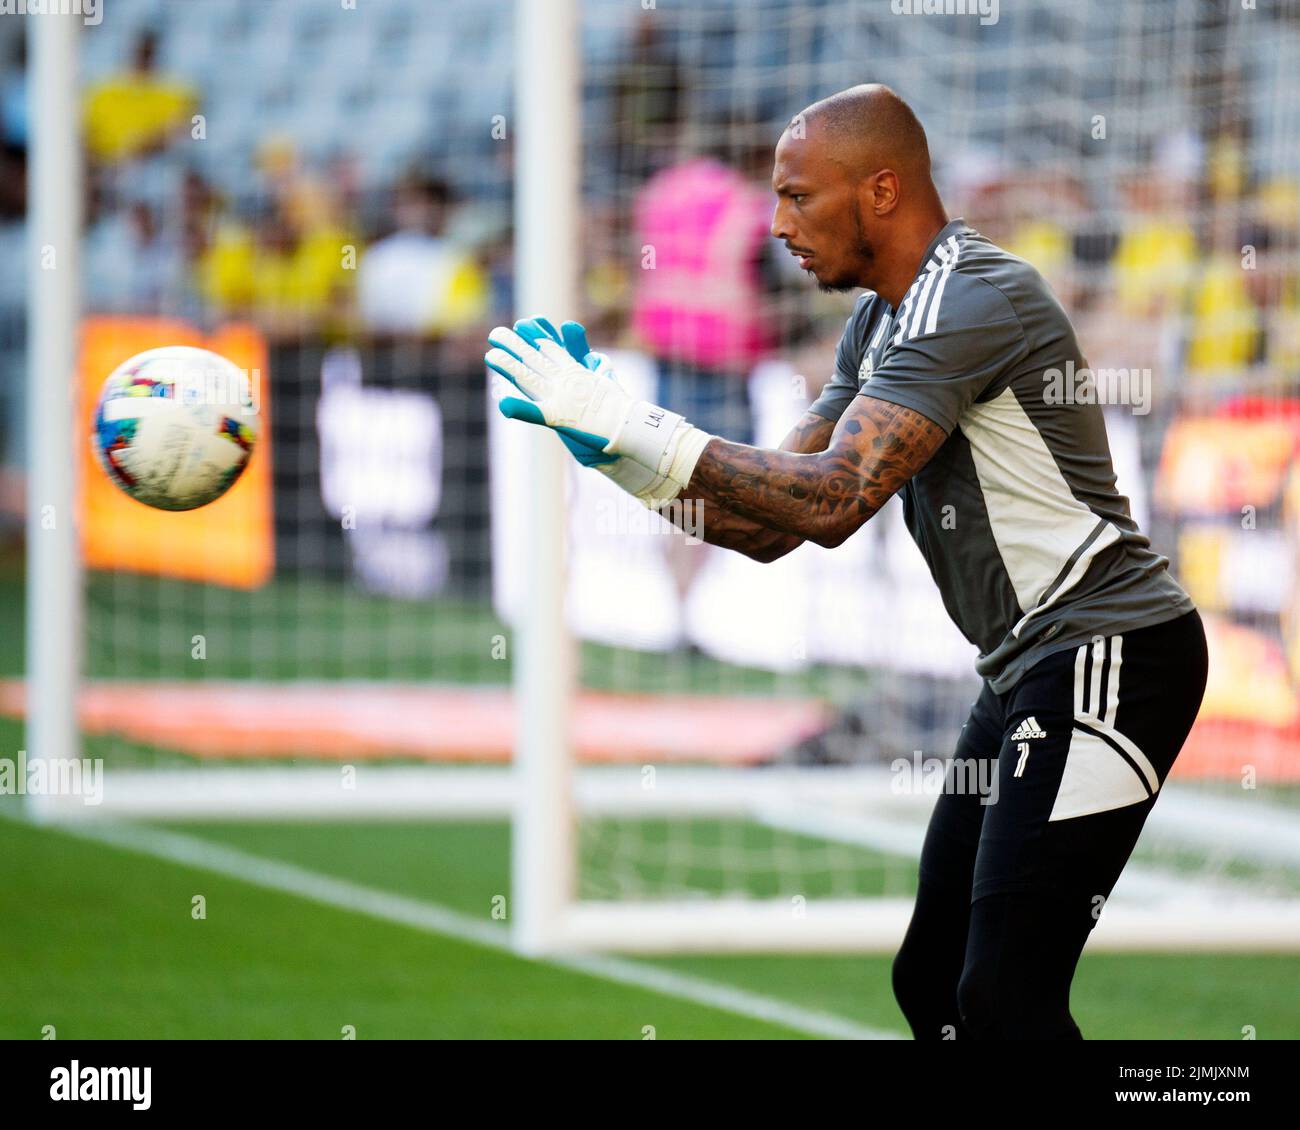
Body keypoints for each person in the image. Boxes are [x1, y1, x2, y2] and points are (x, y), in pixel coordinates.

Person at [487, 83, 1209, 1040]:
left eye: (798, 197)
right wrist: (618, 456)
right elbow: (772, 520)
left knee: (1004, 995)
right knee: (934, 981)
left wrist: (635, 422)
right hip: (1031, 669)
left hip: (1112, 654)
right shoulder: (879, 323)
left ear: (880, 190)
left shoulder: (970, 300)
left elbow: (830, 501)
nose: (775, 223)